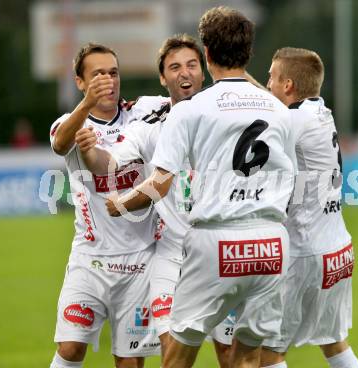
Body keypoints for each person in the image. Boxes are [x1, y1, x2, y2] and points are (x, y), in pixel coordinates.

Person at [104, 7, 296, 368]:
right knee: (247, 357)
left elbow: (160, 183)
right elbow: (291, 181)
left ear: (206, 55)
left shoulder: (191, 110)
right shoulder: (279, 110)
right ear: (249, 53)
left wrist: (120, 204)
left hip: (217, 242)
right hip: (271, 244)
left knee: (177, 357)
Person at [77, 34, 233, 367]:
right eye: (174, 67)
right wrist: (89, 150)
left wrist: (122, 204)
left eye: (192, 65)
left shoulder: (225, 117)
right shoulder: (149, 122)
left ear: (203, 71)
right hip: (171, 254)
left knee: (231, 355)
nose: (184, 73)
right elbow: (110, 161)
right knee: (173, 353)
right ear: (163, 78)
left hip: (220, 250)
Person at [49, 43, 161, 368]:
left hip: (140, 259)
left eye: (113, 73)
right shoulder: (70, 123)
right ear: (80, 81)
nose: (108, 80)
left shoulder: (142, 117)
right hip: (90, 259)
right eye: (97, 74)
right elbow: (59, 145)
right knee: (70, 348)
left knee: (129, 362)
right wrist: (87, 104)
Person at [261, 47, 358, 368]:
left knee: (268, 352)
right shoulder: (320, 111)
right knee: (334, 343)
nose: (267, 84)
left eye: (271, 78)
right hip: (338, 249)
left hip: (305, 254)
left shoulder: (292, 120)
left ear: (288, 85)